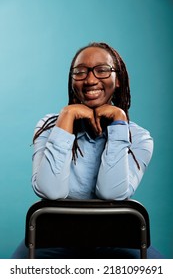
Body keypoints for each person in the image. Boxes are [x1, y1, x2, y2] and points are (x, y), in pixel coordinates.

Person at [11, 42, 163, 259]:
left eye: (102, 70)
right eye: (80, 72)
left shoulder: (139, 138)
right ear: (72, 81)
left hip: (117, 239)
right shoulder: (48, 127)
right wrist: (66, 117)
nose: (91, 79)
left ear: (118, 79)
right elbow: (50, 191)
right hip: (53, 238)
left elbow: (111, 193)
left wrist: (119, 122)